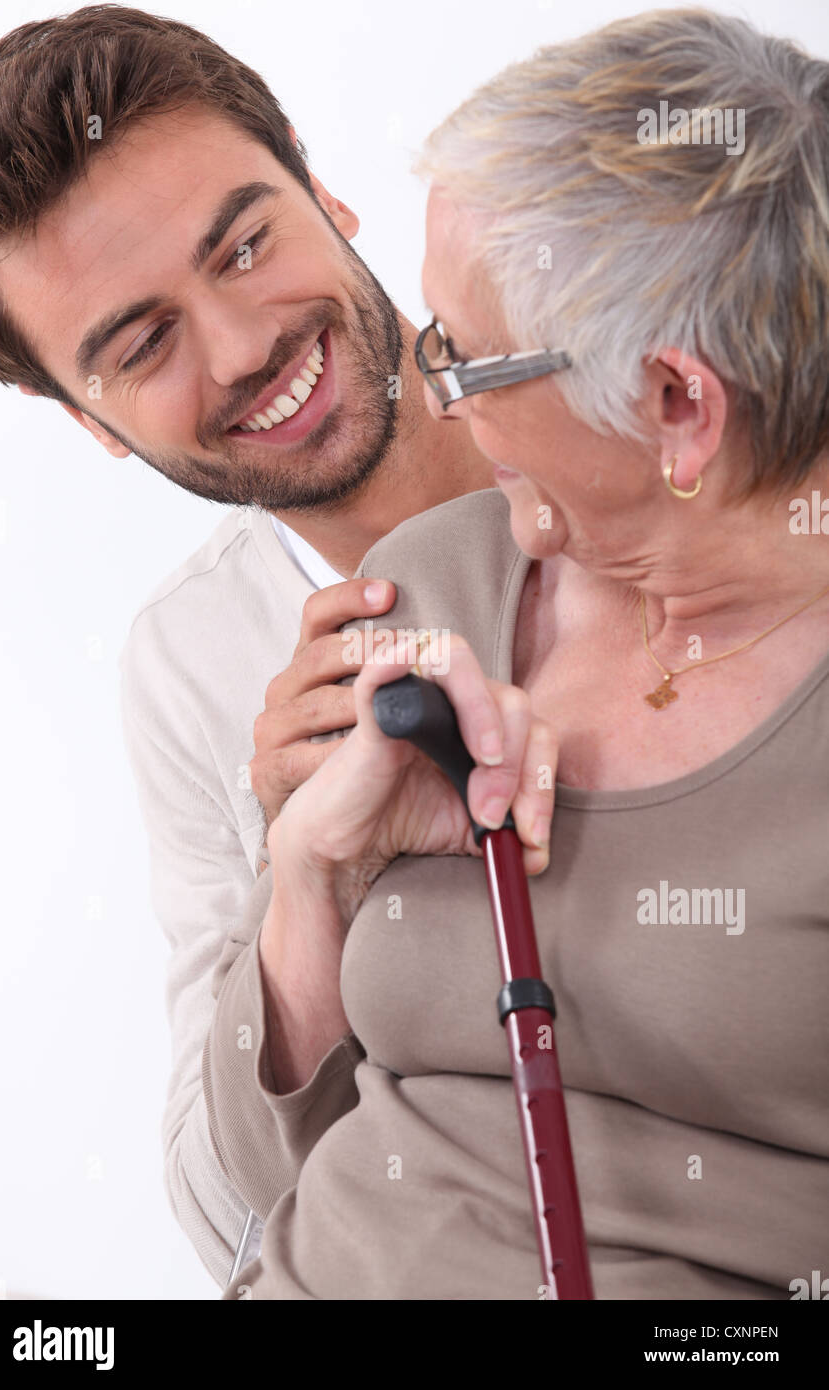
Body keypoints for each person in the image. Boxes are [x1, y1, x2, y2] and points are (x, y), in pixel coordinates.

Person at [206, 8, 829, 1300]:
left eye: (466, 355)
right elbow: (257, 1182)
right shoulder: (432, 585)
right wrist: (312, 868)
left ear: (673, 403)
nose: (435, 398)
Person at [0, 6, 493, 1288]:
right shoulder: (193, 665)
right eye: (142, 345)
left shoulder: (642, 380)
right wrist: (299, 872)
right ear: (85, 419)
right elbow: (226, 1211)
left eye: (246, 243)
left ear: (322, 184)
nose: (246, 344)